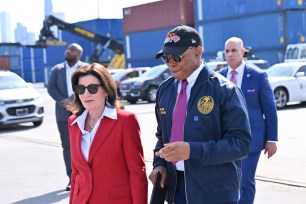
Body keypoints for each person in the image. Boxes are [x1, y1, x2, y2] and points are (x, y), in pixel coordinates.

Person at [149, 25, 252, 204]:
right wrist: (159, 164)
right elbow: (162, 136)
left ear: (198, 51)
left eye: (176, 56)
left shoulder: (225, 91)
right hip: (176, 191)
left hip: (214, 192)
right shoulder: (164, 90)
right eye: (166, 57)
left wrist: (192, 151)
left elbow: (241, 144)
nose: (170, 63)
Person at [67, 63, 148, 204]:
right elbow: (76, 172)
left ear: (106, 90)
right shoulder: (73, 122)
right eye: (80, 89)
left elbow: (137, 172)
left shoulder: (126, 121)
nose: (86, 94)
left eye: (92, 88)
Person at [219, 37, 278, 204]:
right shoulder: (218, 77)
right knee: (228, 181)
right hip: (224, 141)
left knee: (245, 181)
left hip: (252, 140)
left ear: (243, 52)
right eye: (227, 51)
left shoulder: (258, 76)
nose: (230, 54)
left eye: (234, 50)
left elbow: (270, 110)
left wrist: (271, 139)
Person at [47, 43, 88, 191]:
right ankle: (72, 178)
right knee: (67, 146)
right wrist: (62, 100)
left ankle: (86, 176)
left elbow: (89, 85)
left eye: (72, 50)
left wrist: (73, 98)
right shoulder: (57, 70)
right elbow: (50, 87)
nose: (68, 51)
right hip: (63, 113)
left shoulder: (85, 69)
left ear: (79, 54)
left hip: (83, 112)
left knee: (86, 144)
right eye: (68, 49)